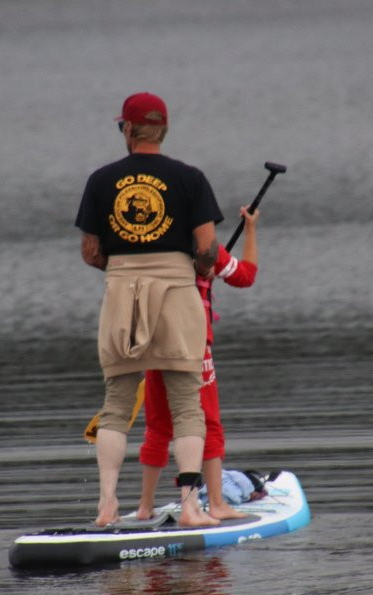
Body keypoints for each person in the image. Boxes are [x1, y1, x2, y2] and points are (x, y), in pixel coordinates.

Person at [76, 91, 222, 528]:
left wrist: (123, 266)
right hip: (178, 292)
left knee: (117, 404)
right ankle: (192, 507)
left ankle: (106, 504)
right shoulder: (190, 178)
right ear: (164, 129)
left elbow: (89, 251)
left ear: (127, 129)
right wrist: (198, 268)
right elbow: (209, 249)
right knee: (186, 405)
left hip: (122, 293)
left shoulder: (101, 180)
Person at [136, 207, 260, 521]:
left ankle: (144, 507)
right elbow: (246, 276)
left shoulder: (157, 253)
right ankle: (216, 503)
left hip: (157, 346)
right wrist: (251, 231)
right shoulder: (208, 253)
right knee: (209, 424)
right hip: (194, 348)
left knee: (158, 428)